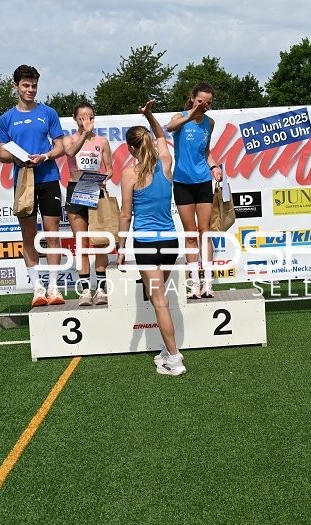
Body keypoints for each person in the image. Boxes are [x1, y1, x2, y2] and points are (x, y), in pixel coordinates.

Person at [118, 99, 186, 376]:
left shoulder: (129, 174)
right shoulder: (166, 164)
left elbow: (125, 215)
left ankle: (175, 357)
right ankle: (166, 350)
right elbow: (161, 135)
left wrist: (120, 248)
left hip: (146, 245)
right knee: (159, 297)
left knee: (159, 300)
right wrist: (149, 115)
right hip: (170, 243)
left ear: (130, 147)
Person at [0, 65, 66, 307]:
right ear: (16, 86)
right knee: (28, 236)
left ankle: (55, 288)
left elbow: (60, 147)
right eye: (26, 85)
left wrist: (44, 157)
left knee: (52, 234)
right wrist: (17, 158)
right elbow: (1, 153)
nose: (30, 90)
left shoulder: (48, 113)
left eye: (34, 85)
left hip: (48, 179)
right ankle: (37, 289)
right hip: (24, 182)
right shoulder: (7, 118)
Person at [166, 82, 224, 299]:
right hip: (182, 182)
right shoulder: (180, 117)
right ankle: (194, 284)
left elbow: (206, 150)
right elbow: (170, 128)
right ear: (192, 98)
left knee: (204, 231)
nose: (205, 105)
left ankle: (208, 282)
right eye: (201, 101)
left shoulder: (209, 122)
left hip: (202, 181)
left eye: (208, 102)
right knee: (190, 235)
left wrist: (214, 167)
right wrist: (192, 113)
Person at [62, 101, 114, 306]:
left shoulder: (102, 141)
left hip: (95, 188)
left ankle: (101, 289)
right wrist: (84, 133)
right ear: (75, 119)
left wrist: (105, 177)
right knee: (81, 242)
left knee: (100, 241)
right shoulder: (69, 139)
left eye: (90, 117)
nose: (86, 120)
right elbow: (70, 153)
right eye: (82, 117)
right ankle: (85, 290)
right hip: (76, 189)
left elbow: (109, 168)